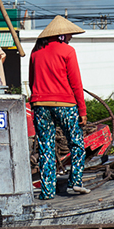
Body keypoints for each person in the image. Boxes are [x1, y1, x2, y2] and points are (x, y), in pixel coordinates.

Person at [28, 15, 89, 199]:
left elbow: (32, 83)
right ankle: (76, 182)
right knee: (77, 144)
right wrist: (83, 111)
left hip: (40, 105)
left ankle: (47, 192)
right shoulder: (67, 51)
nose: (70, 37)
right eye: (69, 34)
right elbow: (76, 84)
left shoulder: (35, 53)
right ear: (62, 35)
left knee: (46, 148)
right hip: (65, 104)